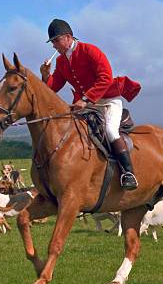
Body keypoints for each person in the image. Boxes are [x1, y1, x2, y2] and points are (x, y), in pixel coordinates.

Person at [39, 19, 141, 190]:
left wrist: (85, 99)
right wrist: (45, 75)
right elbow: (53, 86)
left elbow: (105, 78)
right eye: (52, 42)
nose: (54, 46)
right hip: (83, 105)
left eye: (56, 40)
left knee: (109, 130)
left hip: (108, 101)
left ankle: (128, 173)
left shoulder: (91, 51)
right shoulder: (61, 61)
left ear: (68, 37)